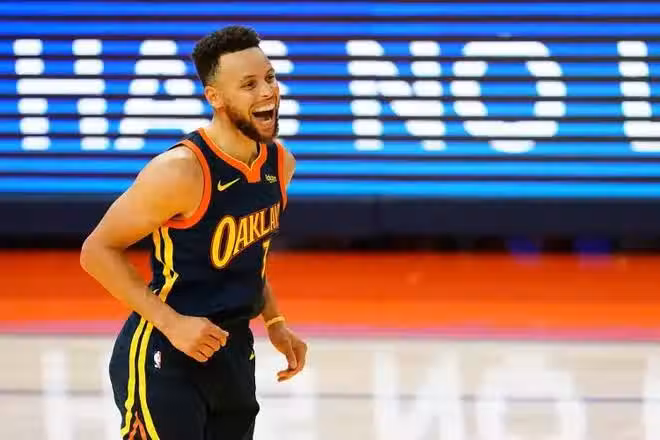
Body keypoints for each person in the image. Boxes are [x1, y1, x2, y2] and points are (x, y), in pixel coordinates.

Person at [80, 25, 307, 440]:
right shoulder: (181, 171)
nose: (268, 92)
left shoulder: (280, 164)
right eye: (249, 84)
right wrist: (172, 324)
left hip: (234, 354)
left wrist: (274, 321)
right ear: (214, 97)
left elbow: (250, 259)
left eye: (270, 78)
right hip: (166, 356)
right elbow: (97, 251)